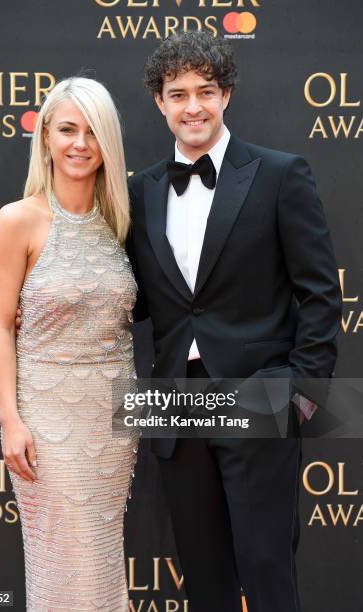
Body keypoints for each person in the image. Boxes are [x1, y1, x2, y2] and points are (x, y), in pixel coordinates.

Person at [126, 31, 342, 612]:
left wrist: (301, 394)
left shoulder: (279, 174)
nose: (192, 106)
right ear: (159, 103)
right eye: (178, 93)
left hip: (259, 394)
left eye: (205, 91)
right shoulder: (139, 192)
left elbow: (320, 292)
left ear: (226, 96)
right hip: (176, 402)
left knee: (268, 570)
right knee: (203, 577)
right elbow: (131, 297)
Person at [0, 77, 138, 611]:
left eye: (93, 132)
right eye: (68, 129)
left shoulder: (120, 221)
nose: (80, 144)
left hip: (115, 421)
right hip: (47, 421)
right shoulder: (18, 220)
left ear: (108, 144)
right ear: (45, 136)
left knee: (99, 558)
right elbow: (0, 326)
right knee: (60, 560)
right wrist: (11, 419)